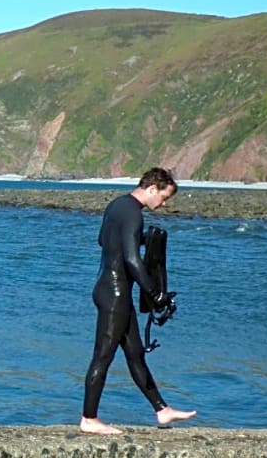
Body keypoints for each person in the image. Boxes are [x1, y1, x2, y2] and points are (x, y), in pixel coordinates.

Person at [80, 167, 197, 435]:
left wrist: (143, 239)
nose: (164, 204)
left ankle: (162, 410)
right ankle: (89, 418)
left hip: (106, 288)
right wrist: (155, 293)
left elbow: (103, 240)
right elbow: (132, 260)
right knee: (103, 356)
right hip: (115, 293)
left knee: (135, 354)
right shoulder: (134, 213)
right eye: (164, 197)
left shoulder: (117, 205)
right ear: (152, 188)